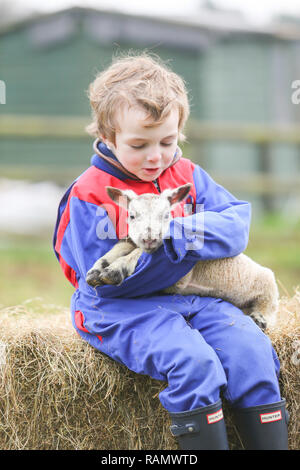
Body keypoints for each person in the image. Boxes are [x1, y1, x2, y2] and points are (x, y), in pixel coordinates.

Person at [53, 53, 288, 450]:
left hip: (193, 296)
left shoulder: (188, 176)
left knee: (252, 353)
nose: (156, 156)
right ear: (108, 137)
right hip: (122, 308)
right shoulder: (89, 194)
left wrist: (175, 235)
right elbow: (109, 284)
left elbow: (235, 225)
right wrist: (171, 255)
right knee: (194, 363)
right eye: (139, 144)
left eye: (167, 141)